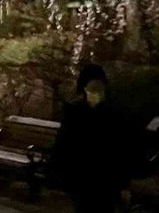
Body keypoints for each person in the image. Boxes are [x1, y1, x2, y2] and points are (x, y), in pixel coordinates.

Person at [53, 63, 132, 212]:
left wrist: (123, 183)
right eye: (93, 88)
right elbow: (64, 144)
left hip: (106, 179)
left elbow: (122, 148)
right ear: (84, 88)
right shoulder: (75, 113)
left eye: (99, 88)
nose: (97, 93)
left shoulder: (114, 113)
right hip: (81, 177)